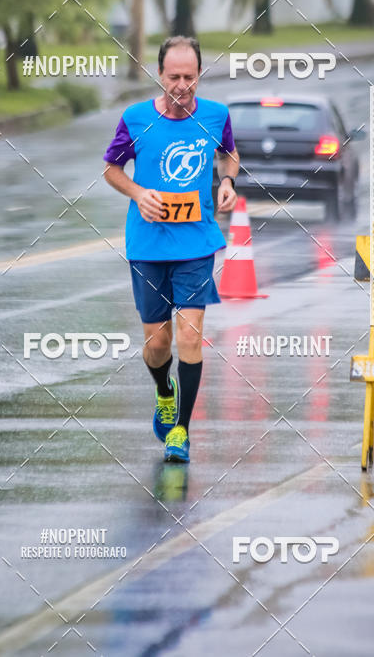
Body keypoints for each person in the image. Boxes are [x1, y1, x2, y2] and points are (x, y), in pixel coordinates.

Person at [103, 36, 239, 463]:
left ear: (199, 74)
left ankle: (180, 429)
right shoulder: (136, 117)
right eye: (173, 77)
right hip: (147, 245)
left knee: (189, 336)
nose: (182, 85)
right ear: (159, 75)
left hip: (197, 243)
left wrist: (229, 181)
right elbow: (111, 169)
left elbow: (229, 155)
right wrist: (138, 193)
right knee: (158, 344)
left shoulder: (216, 116)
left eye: (190, 76)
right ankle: (164, 389)